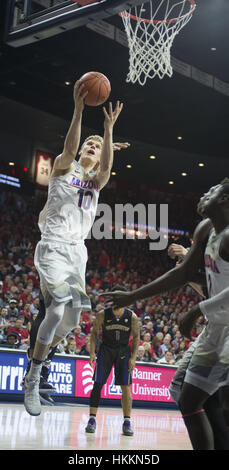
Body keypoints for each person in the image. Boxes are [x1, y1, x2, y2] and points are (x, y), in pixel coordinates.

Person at [23, 78, 125, 417]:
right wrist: (79, 110)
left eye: (96, 147)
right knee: (54, 312)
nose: (91, 148)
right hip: (53, 246)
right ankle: (34, 379)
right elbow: (70, 147)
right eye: (89, 145)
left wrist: (108, 131)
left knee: (71, 321)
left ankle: (38, 357)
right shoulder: (64, 167)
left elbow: (108, 167)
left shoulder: (97, 181)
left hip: (77, 253)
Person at [104, 179, 229, 450]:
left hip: (221, 324)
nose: (205, 192)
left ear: (224, 199)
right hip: (216, 326)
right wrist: (132, 296)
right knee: (188, 399)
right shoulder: (206, 228)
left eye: (212, 190)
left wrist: (198, 309)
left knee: (218, 405)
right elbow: (182, 274)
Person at [85, 286, 140, 436]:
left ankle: (127, 422)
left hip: (123, 351)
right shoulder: (103, 314)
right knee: (98, 384)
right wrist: (92, 353)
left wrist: (133, 357)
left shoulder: (132, 316)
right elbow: (94, 333)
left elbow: (136, 337)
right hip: (106, 350)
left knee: (126, 387)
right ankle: (91, 419)